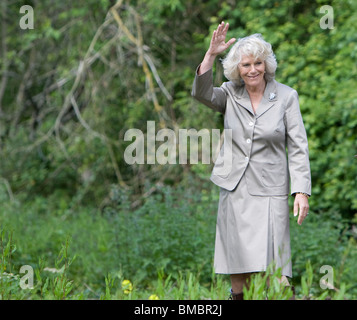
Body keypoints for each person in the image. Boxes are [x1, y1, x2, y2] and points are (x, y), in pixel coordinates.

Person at [192, 22, 311, 300]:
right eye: (246, 65)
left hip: (271, 191)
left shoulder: (286, 96)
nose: (253, 69)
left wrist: (301, 190)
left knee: (277, 271)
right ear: (237, 69)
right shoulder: (230, 93)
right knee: (239, 270)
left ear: (266, 65)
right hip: (235, 191)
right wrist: (210, 55)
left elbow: (298, 147)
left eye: (258, 63)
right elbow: (201, 93)